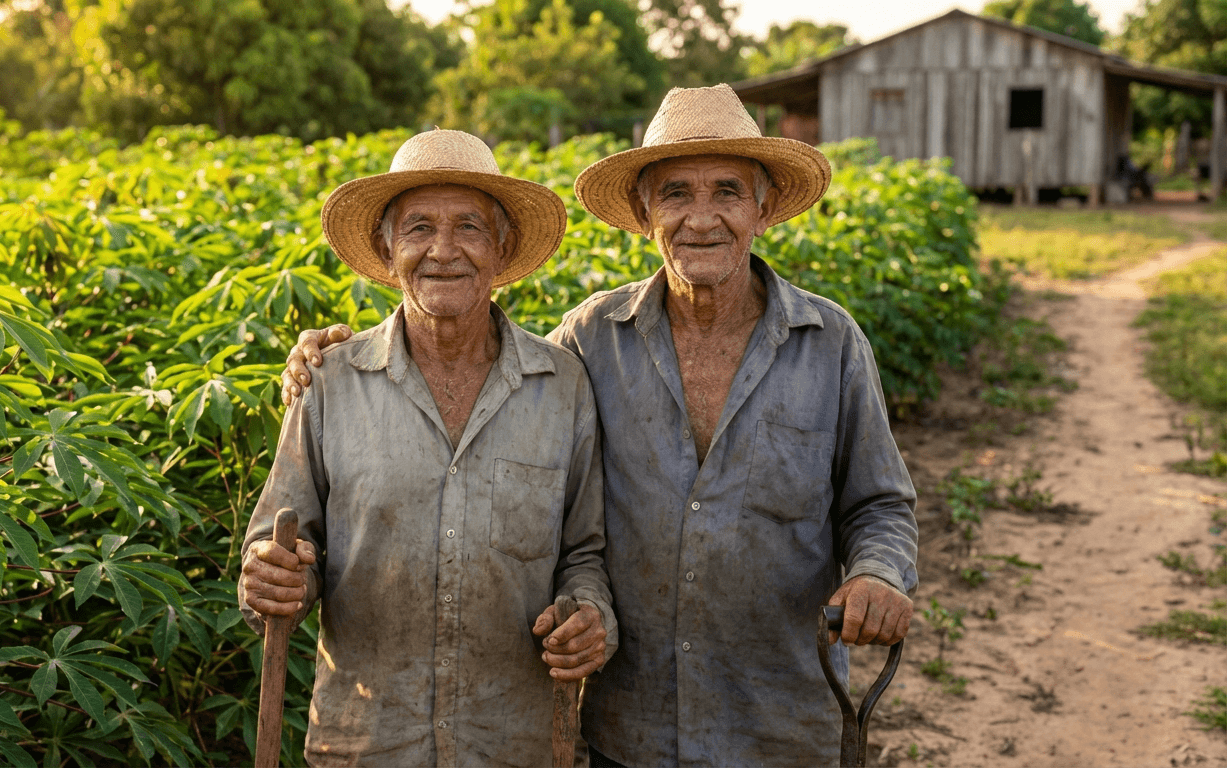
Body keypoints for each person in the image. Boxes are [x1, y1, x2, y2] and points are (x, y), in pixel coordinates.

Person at [282, 85, 918, 766]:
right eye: (676, 193)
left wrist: (880, 573)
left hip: (782, 720)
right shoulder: (589, 341)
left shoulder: (831, 343)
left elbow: (879, 503)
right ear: (645, 211)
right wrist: (335, 361)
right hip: (629, 729)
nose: (701, 218)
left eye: (727, 191)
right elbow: (475, 378)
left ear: (762, 208)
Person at [238, 129, 617, 767]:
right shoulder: (329, 382)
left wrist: (587, 613)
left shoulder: (563, 386)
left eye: (469, 226)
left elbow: (585, 551)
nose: (443, 250)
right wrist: (270, 579)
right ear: (388, 250)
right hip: (365, 744)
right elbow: (279, 548)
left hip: (517, 747)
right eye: (418, 228)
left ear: (502, 247)